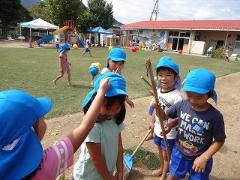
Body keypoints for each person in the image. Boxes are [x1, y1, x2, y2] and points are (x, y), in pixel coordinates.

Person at [0, 78, 110, 179]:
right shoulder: (45, 166)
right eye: (42, 118)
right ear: (31, 132)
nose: (44, 121)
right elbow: (85, 127)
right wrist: (101, 91)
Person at [165, 68, 226, 180]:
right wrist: (170, 125)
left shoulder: (215, 116)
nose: (193, 100)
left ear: (209, 94)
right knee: (173, 174)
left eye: (199, 97)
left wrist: (205, 157)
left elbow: (219, 140)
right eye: (189, 95)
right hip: (179, 152)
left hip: (200, 157)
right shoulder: (182, 104)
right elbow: (175, 118)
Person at [73, 72, 127, 180]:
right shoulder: (92, 126)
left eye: (116, 107)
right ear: (96, 101)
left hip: (105, 175)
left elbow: (119, 146)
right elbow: (96, 158)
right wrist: (108, 178)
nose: (111, 112)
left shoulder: (115, 120)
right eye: (107, 107)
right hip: (87, 176)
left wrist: (120, 169)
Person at [147, 56, 183, 180]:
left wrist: (157, 105)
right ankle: (162, 168)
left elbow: (176, 118)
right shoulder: (158, 91)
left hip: (170, 132)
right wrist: (151, 121)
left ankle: (164, 174)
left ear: (175, 77)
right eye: (161, 75)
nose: (163, 78)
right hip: (158, 129)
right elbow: (153, 111)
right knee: (160, 151)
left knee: (166, 154)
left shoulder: (177, 96)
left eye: (168, 75)